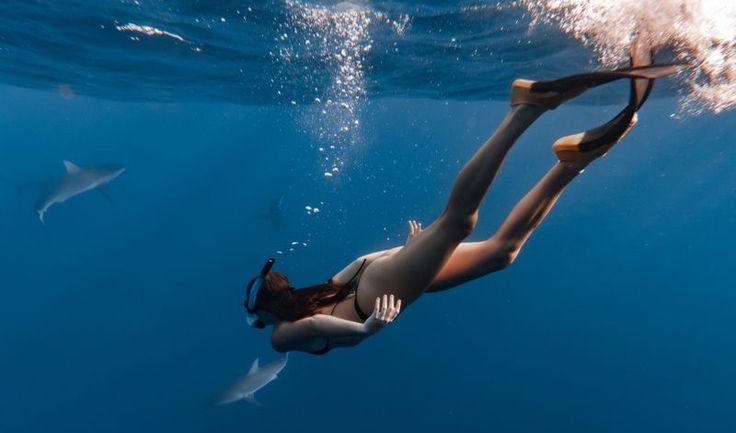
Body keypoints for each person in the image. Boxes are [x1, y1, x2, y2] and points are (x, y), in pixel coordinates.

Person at [244, 51, 679, 356]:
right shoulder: (313, 292)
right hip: (379, 275)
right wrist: (405, 250)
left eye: (258, 319)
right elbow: (359, 263)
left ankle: (526, 109)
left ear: (262, 312)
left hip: (380, 295)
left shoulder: (280, 336)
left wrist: (365, 330)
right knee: (500, 254)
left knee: (457, 223)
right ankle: (570, 162)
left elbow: (319, 327)